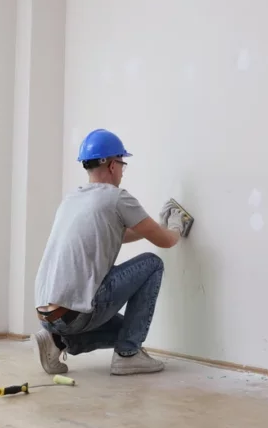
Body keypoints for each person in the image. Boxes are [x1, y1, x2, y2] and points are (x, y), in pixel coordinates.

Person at [32, 129, 189, 376]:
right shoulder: (117, 198)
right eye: (123, 164)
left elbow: (117, 235)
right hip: (76, 315)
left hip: (48, 315)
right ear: (113, 164)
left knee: (126, 331)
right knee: (152, 263)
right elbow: (167, 242)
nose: (123, 172)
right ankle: (128, 356)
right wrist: (177, 226)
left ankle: (56, 341)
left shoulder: (72, 199)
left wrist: (157, 225)